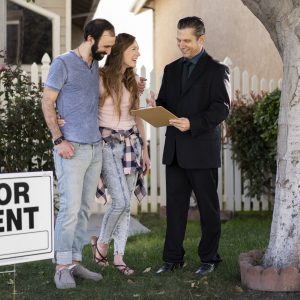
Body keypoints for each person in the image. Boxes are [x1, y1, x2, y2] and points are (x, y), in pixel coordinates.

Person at [148, 16, 231, 276]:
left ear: (201, 39)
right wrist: (155, 107)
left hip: (201, 149)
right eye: (178, 40)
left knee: (208, 208)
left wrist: (192, 123)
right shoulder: (171, 69)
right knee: (174, 208)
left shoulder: (217, 70)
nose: (181, 45)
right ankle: (172, 259)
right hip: (175, 151)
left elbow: (222, 107)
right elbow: (166, 103)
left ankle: (209, 258)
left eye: (186, 40)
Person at [42, 19, 116, 289]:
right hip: (70, 147)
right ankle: (61, 267)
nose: (107, 50)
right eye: (105, 45)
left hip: (94, 147)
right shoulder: (62, 63)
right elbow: (47, 101)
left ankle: (74, 261)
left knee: (84, 210)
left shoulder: (94, 65)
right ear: (89, 38)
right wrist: (58, 138)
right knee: (69, 211)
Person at [89, 33, 150, 276]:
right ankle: (102, 246)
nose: (138, 53)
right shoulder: (100, 78)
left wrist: (145, 150)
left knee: (126, 206)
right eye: (134, 49)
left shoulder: (133, 80)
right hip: (108, 145)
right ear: (121, 50)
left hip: (131, 145)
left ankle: (119, 258)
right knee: (121, 201)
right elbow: (89, 112)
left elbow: (137, 116)